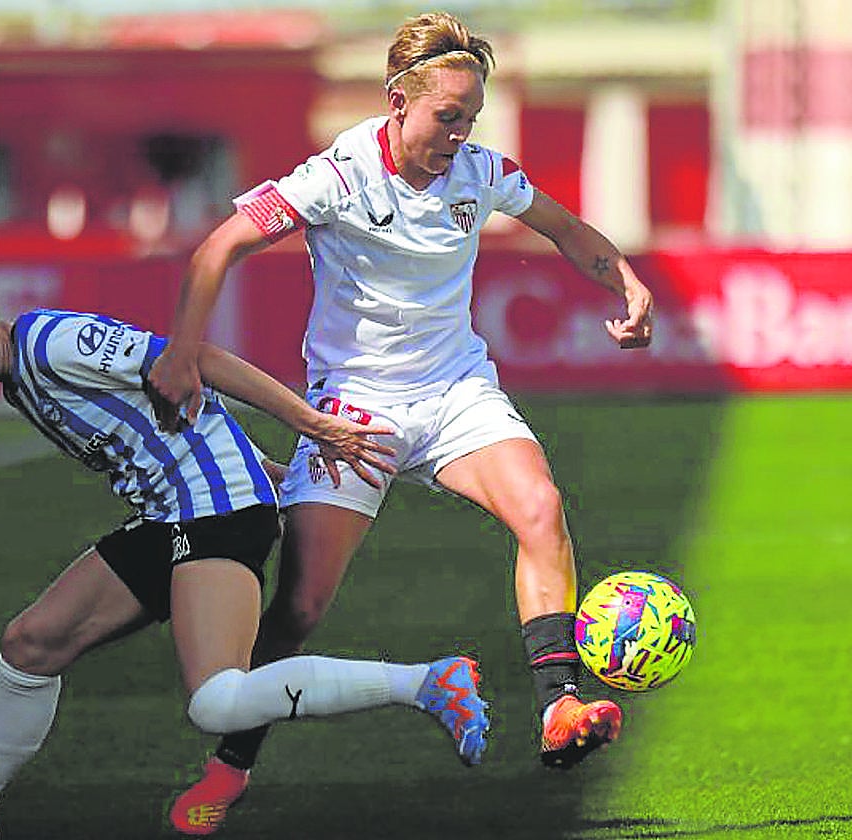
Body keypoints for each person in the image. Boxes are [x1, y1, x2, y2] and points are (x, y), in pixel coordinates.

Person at [148, 11, 656, 835]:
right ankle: (229, 766)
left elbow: (564, 229)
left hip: (457, 390)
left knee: (541, 509)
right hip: (354, 409)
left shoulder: (480, 171)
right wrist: (181, 353)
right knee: (303, 607)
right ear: (398, 103)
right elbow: (218, 250)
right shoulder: (338, 175)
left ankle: (560, 706)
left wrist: (625, 281)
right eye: (446, 116)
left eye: (471, 117)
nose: (460, 133)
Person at [0, 240, 488, 840]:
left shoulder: (50, 343)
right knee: (30, 644)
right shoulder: (17, 376)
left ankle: (429, 683)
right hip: (173, 517)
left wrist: (311, 424)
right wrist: (268, 470)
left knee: (216, 703)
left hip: (213, 513)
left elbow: (196, 363)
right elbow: (174, 421)